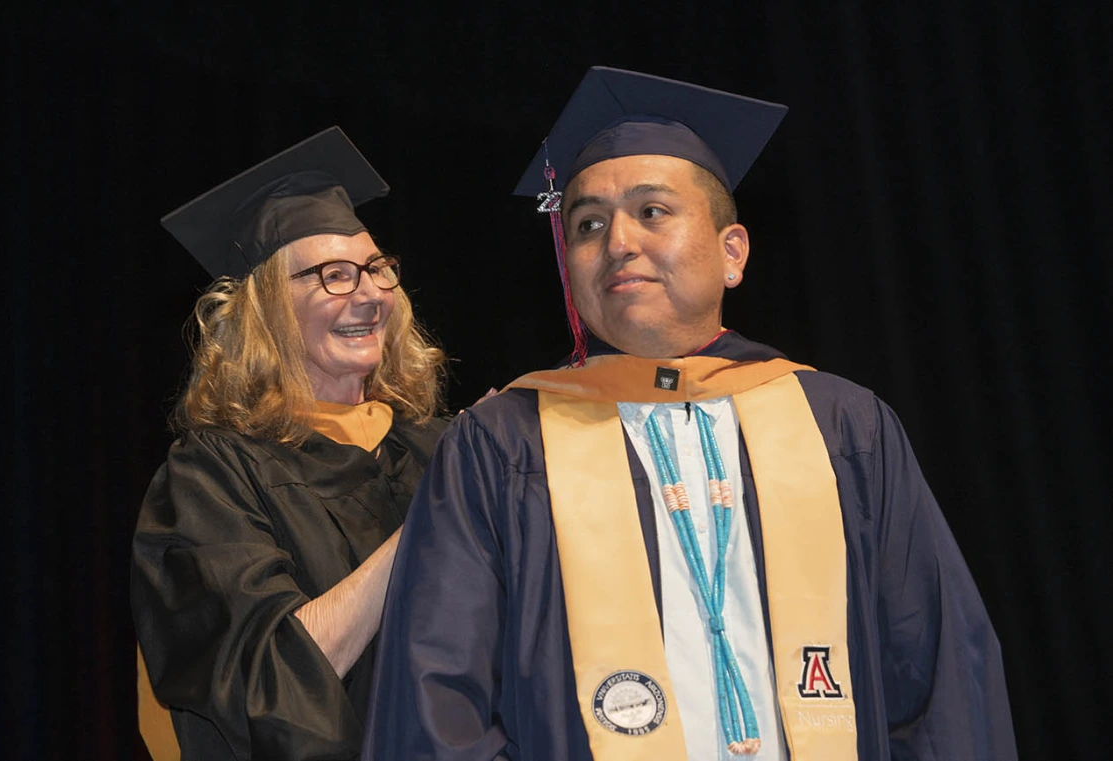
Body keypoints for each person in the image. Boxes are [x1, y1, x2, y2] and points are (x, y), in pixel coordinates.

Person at [363, 68, 1018, 761]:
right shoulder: (504, 445)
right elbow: (435, 707)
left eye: (651, 212)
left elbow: (940, 677)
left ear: (732, 251)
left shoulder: (843, 427)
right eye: (587, 224)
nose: (617, 242)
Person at [131, 127, 447, 760]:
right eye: (332, 276)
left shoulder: (437, 448)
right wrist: (441, 516)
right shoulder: (211, 479)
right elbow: (269, 681)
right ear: (266, 311)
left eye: (376, 269)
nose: (368, 294)